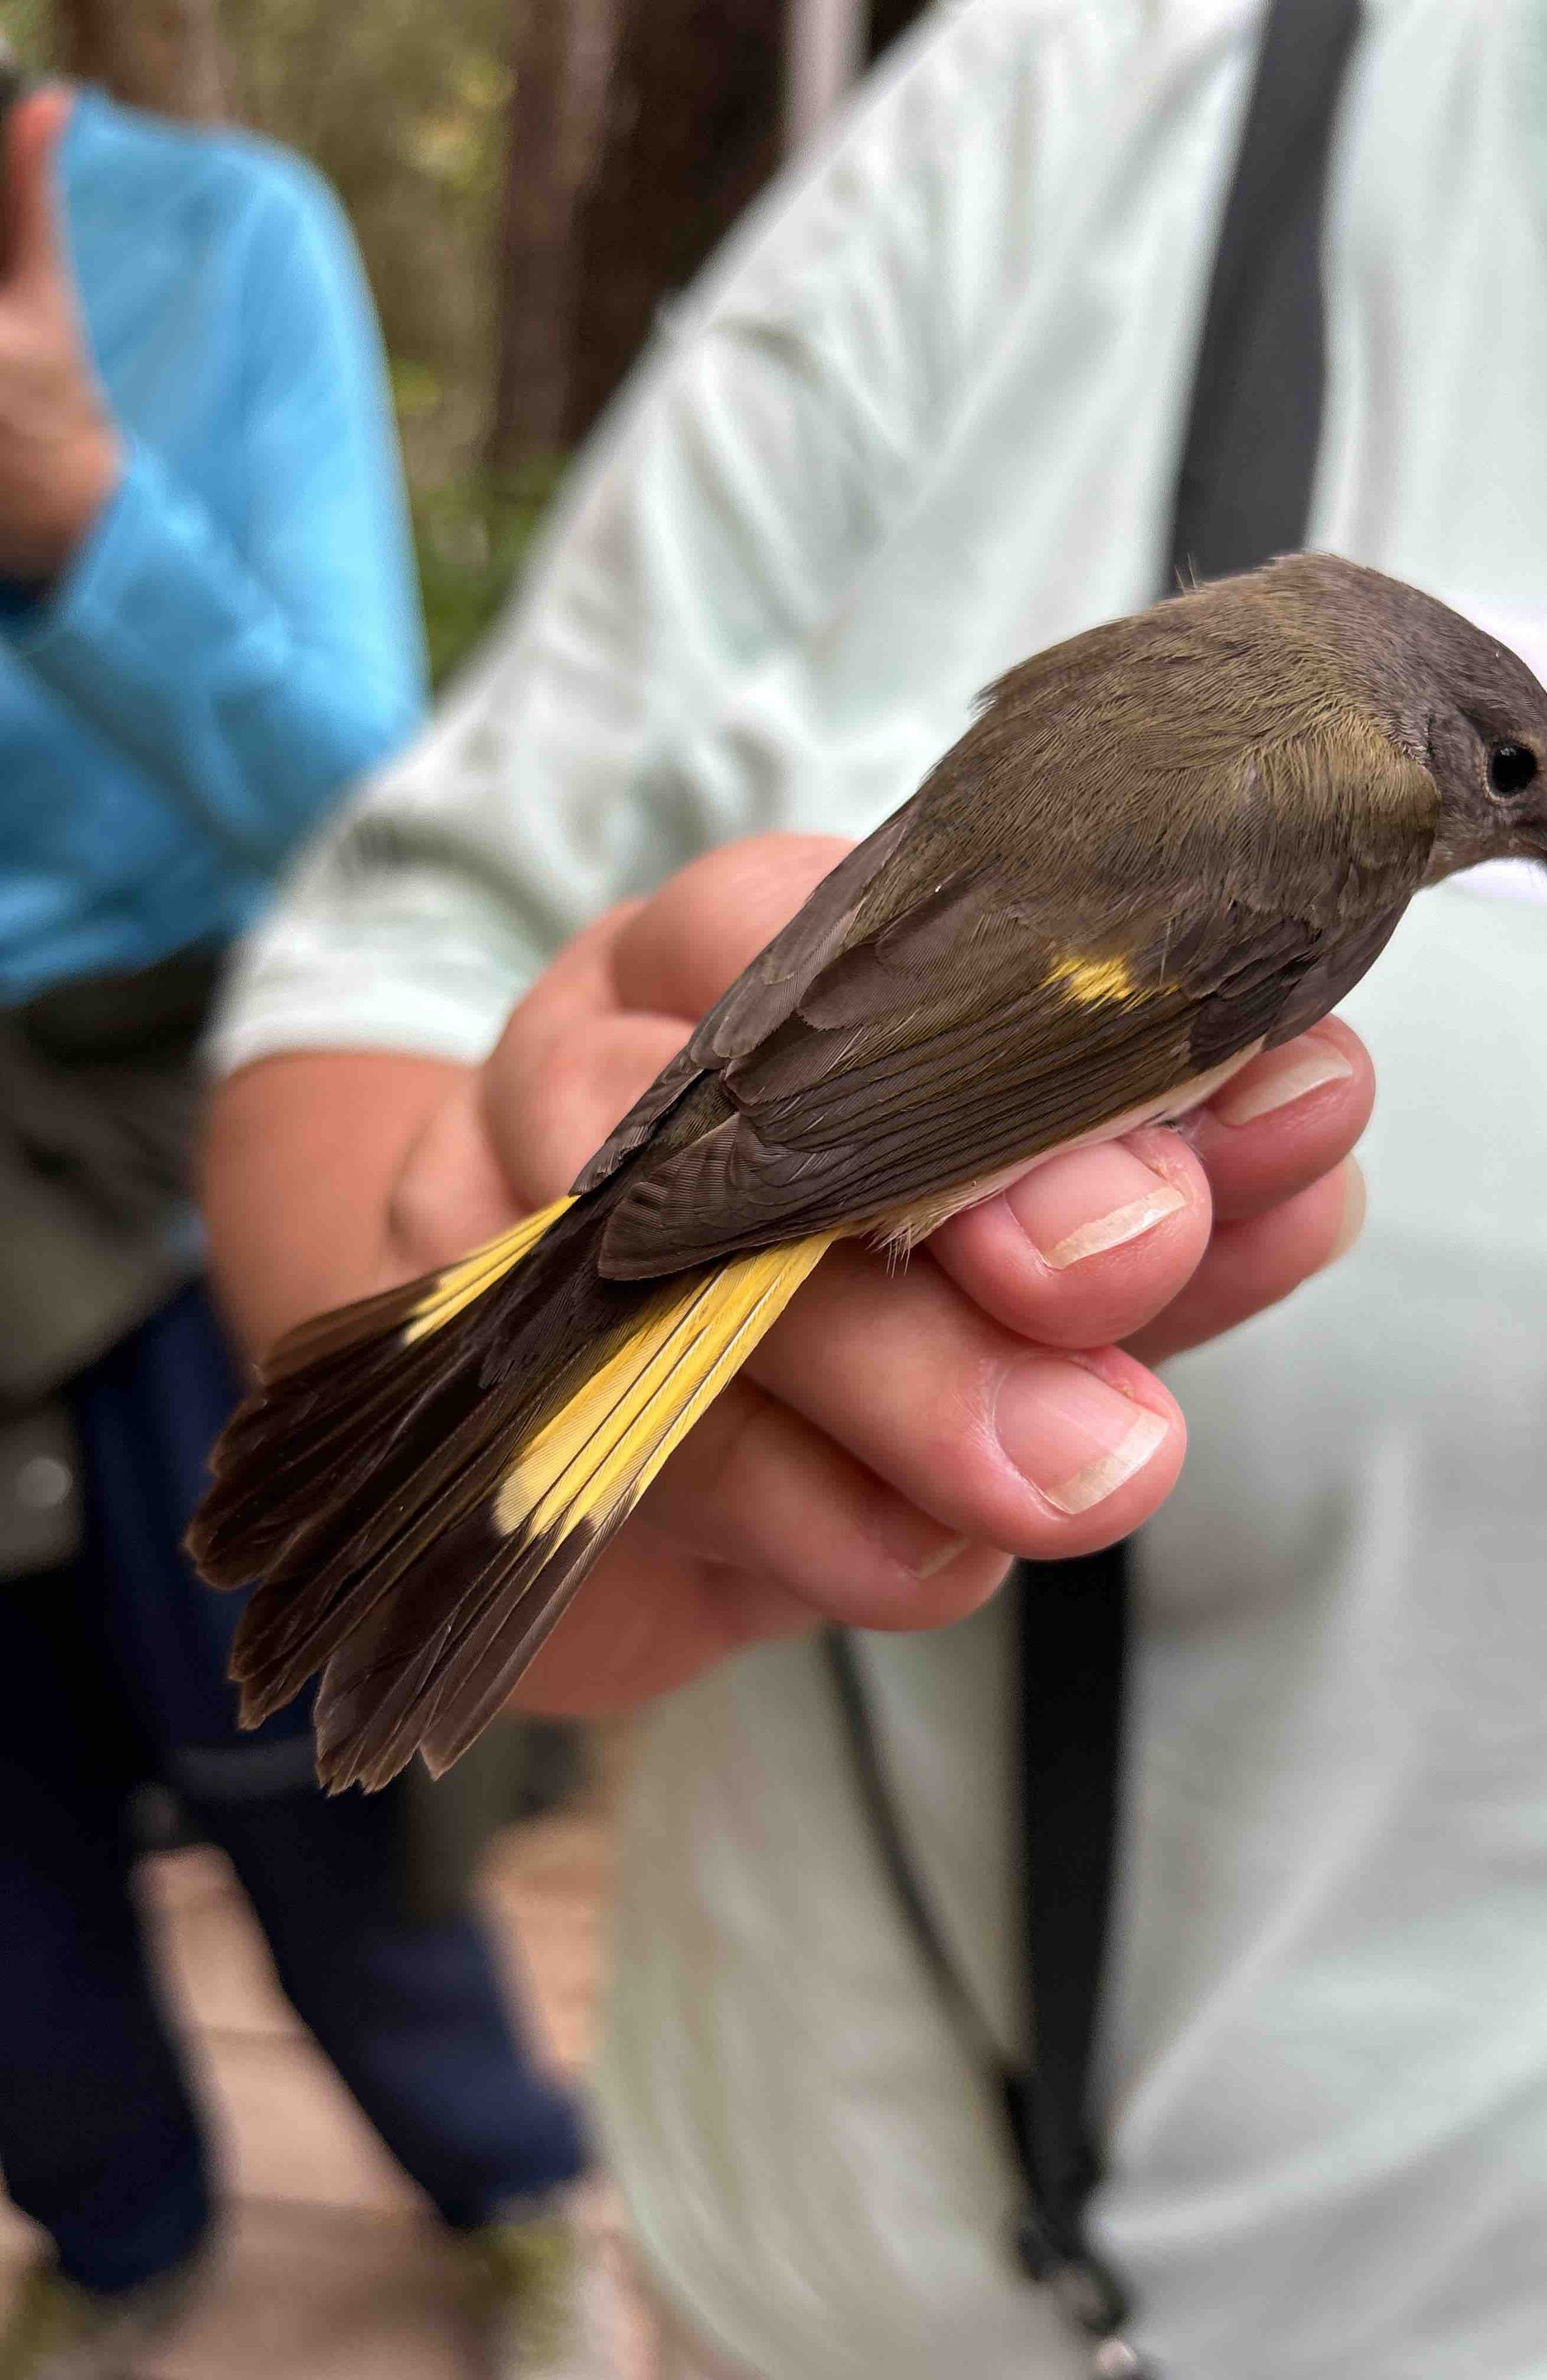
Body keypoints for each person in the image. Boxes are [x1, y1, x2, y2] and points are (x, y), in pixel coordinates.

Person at [200, 0, 1547, 2374]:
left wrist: (705, 1151)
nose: (1496, 837)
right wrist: (634, 1201)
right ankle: (510, 1407)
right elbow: (1002, 1024)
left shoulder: (1258, 673)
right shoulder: (1111, 132)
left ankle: (505, 1377)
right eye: (1501, 790)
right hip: (840, 2266)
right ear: (1419, 739)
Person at [0, 73, 595, 2380]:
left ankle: (506, 2181)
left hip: (161, 1158)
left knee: (320, 1759)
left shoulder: (216, 239)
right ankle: (125, 2232)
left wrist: (79, 527)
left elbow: (377, 800)